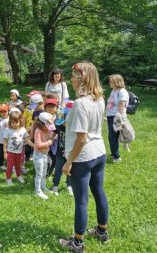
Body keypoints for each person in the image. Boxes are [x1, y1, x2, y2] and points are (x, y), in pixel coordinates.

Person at [60, 62, 109, 252]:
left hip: (83, 156)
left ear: (82, 78)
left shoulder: (80, 103)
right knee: (99, 191)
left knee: (81, 200)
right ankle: (102, 231)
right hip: (99, 152)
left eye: (73, 75)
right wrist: (67, 120)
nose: (70, 78)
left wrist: (68, 161)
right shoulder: (99, 98)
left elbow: (81, 138)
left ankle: (78, 243)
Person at [3, 111, 34, 185]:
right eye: (12, 122)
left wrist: (33, 145)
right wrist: (5, 153)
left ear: (20, 121)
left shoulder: (23, 130)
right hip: (10, 152)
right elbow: (5, 142)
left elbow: (26, 139)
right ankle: (8, 178)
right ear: (10, 122)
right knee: (10, 166)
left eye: (16, 122)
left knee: (18, 165)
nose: (14, 124)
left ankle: (19, 175)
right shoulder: (8, 130)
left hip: (20, 152)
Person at [106, 74, 129, 162]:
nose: (109, 83)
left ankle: (116, 157)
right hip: (110, 116)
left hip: (116, 117)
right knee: (112, 136)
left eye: (111, 82)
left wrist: (118, 118)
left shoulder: (122, 92)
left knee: (113, 137)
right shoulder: (114, 91)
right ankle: (113, 153)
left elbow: (121, 105)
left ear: (116, 82)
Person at [33, 112, 56, 200]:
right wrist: (49, 142)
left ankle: (43, 187)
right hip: (38, 155)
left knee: (44, 173)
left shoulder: (47, 130)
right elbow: (38, 145)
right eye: (48, 126)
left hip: (45, 155)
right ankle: (37, 191)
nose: (49, 128)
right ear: (41, 124)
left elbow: (51, 136)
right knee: (39, 174)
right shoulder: (38, 131)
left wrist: (52, 135)